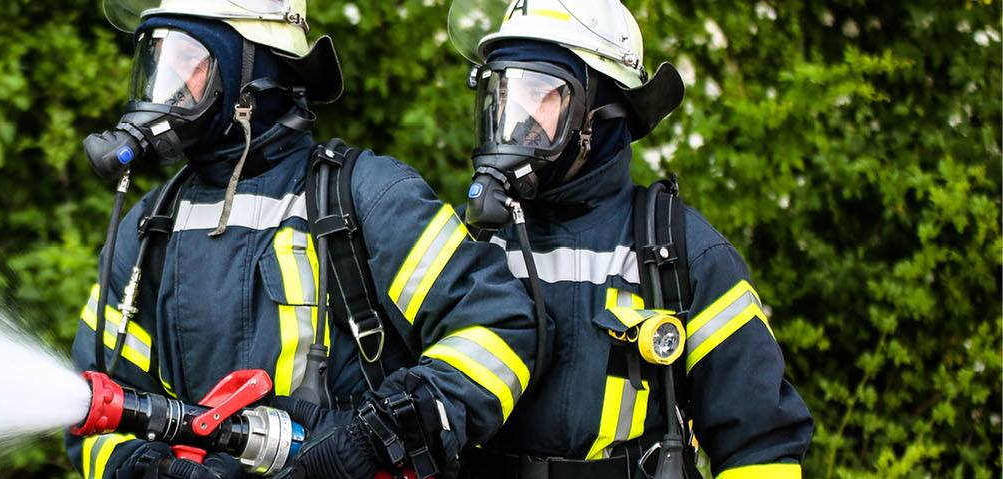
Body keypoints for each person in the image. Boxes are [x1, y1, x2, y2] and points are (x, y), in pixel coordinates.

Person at [67, 1, 546, 477]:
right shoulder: (150, 227)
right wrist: (142, 468)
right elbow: (97, 407)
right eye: (157, 64)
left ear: (250, 76)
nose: (165, 90)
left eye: (188, 63)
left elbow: (496, 329)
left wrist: (376, 436)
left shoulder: (367, 196)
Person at [442, 1, 814, 478]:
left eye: (541, 94)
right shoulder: (468, 242)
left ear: (601, 113)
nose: (517, 118)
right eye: (504, 92)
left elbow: (761, 446)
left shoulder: (683, 255)